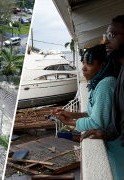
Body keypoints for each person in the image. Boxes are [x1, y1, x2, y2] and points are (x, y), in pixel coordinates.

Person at [52, 44, 124, 179]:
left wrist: (68, 122)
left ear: (102, 65)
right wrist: (70, 114)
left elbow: (97, 122)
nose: (83, 68)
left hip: (117, 148)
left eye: (89, 64)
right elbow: (92, 111)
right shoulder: (98, 83)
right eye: (83, 63)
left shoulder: (106, 84)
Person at [80, 15, 124, 179]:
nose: (105, 40)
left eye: (112, 35)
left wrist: (72, 121)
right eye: (106, 35)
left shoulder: (107, 84)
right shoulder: (120, 75)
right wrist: (109, 132)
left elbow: (98, 121)